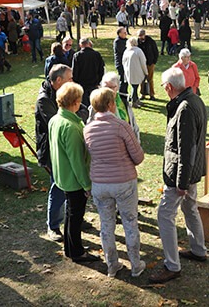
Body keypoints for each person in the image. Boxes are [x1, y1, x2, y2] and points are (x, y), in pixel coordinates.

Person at [149, 68, 207, 284]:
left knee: (165, 215)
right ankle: (198, 250)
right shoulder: (194, 100)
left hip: (181, 174)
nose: (164, 89)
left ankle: (172, 265)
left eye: (164, 86)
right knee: (190, 207)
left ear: (169, 87)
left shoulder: (185, 108)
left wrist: (181, 181)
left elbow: (187, 148)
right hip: (190, 171)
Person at [84, 87, 145, 278]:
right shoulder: (121, 126)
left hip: (100, 184)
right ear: (111, 105)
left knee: (106, 224)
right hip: (123, 181)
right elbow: (138, 156)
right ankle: (136, 264)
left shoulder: (87, 129)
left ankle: (112, 264)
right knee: (129, 222)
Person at [49, 82, 98, 263]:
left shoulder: (56, 119)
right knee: (75, 216)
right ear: (76, 102)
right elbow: (77, 160)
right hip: (74, 179)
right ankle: (76, 251)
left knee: (71, 214)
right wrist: (87, 184)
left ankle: (71, 248)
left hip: (62, 175)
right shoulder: (70, 127)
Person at [35, 64, 86, 241]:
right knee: (58, 186)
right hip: (52, 151)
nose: (72, 80)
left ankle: (73, 216)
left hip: (64, 146)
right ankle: (53, 225)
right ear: (58, 81)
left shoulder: (66, 94)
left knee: (72, 185)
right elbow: (61, 118)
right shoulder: (44, 99)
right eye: (69, 78)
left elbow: (82, 109)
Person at [72, 38, 105, 107]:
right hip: (94, 84)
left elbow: (75, 72)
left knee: (83, 105)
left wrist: (76, 82)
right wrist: (98, 81)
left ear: (80, 45)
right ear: (89, 44)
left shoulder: (77, 56)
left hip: (82, 85)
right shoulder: (96, 55)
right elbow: (101, 70)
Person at [122, 37, 148, 108]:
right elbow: (143, 62)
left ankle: (136, 100)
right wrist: (146, 72)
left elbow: (123, 62)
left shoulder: (126, 51)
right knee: (135, 87)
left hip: (129, 72)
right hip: (137, 72)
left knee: (134, 86)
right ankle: (134, 102)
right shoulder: (138, 51)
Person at [137, 29, 159, 101]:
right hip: (141, 64)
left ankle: (151, 94)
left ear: (144, 35)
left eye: (141, 35)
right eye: (139, 36)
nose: (140, 37)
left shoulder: (151, 41)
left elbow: (155, 51)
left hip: (150, 63)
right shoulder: (137, 42)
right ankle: (142, 94)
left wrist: (154, 62)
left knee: (150, 79)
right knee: (142, 79)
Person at [113, 27, 128, 95]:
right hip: (120, 63)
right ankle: (122, 93)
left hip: (126, 63)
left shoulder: (126, 40)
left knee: (126, 79)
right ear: (119, 34)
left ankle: (125, 92)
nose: (126, 33)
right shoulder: (117, 41)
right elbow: (122, 51)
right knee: (122, 79)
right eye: (124, 32)